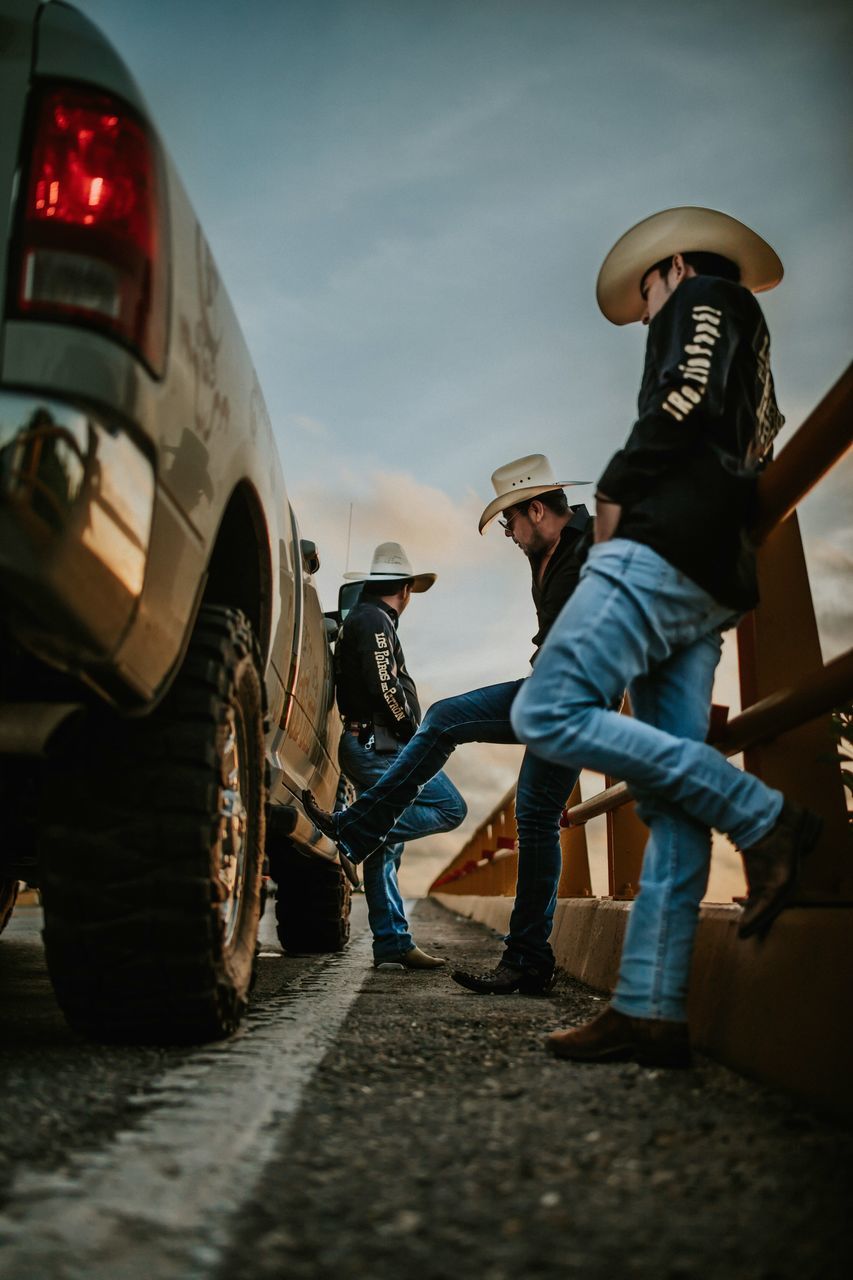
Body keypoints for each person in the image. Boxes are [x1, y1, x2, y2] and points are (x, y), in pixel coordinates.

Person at [509, 207, 822, 1067]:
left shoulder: (705, 297)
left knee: (549, 710)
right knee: (670, 791)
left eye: (645, 293)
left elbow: (681, 400)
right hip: (712, 572)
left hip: (658, 549)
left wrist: (613, 493)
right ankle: (651, 1007)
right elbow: (754, 444)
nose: (645, 312)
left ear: (671, 265)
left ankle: (765, 818)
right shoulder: (755, 358)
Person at [304, 455, 591, 995]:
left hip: (573, 693)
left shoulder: (592, 544)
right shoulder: (546, 555)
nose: (507, 532)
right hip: (554, 689)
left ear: (535, 508)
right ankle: (529, 959)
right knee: (533, 818)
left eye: (509, 521)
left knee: (444, 720)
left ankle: (357, 830)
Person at [322, 541, 467, 971]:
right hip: (380, 742)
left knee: (386, 846)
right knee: (450, 807)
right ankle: (352, 832)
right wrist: (412, 733)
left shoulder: (365, 619)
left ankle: (391, 941)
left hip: (367, 740)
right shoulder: (374, 621)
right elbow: (386, 686)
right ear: (404, 588)